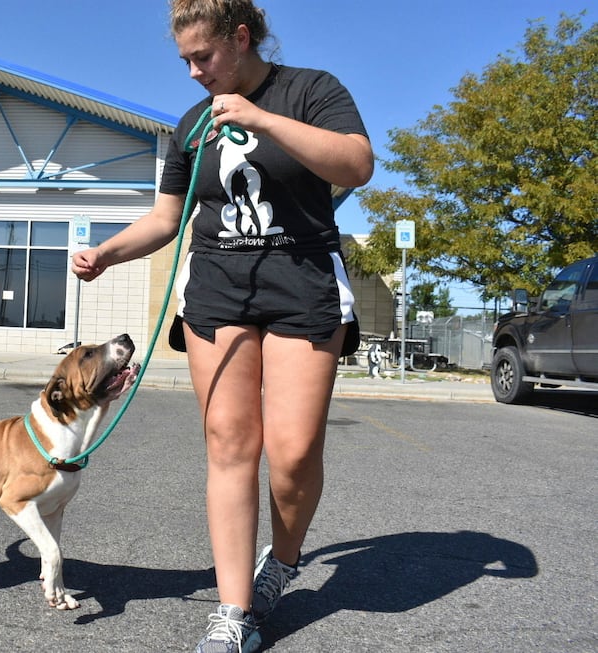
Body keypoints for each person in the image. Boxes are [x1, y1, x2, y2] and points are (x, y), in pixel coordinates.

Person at [72, 1, 373, 651]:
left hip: (302, 289)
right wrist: (107, 252)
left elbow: (354, 164)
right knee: (231, 446)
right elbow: (163, 219)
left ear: (241, 39)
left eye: (202, 57)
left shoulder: (311, 90)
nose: (192, 72)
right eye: (183, 60)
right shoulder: (191, 124)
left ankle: (282, 563)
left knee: (291, 454)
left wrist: (262, 119)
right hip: (217, 293)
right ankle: (233, 612)